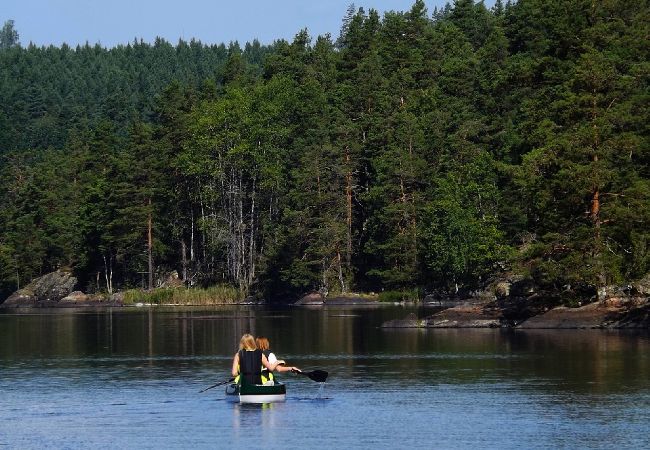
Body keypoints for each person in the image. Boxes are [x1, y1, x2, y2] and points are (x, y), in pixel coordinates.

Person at [231, 334, 297, 385]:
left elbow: (234, 373)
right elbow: (271, 368)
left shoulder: (238, 355)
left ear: (242, 343)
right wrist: (277, 362)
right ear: (252, 342)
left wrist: (242, 373)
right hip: (258, 382)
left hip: (243, 384)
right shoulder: (260, 354)